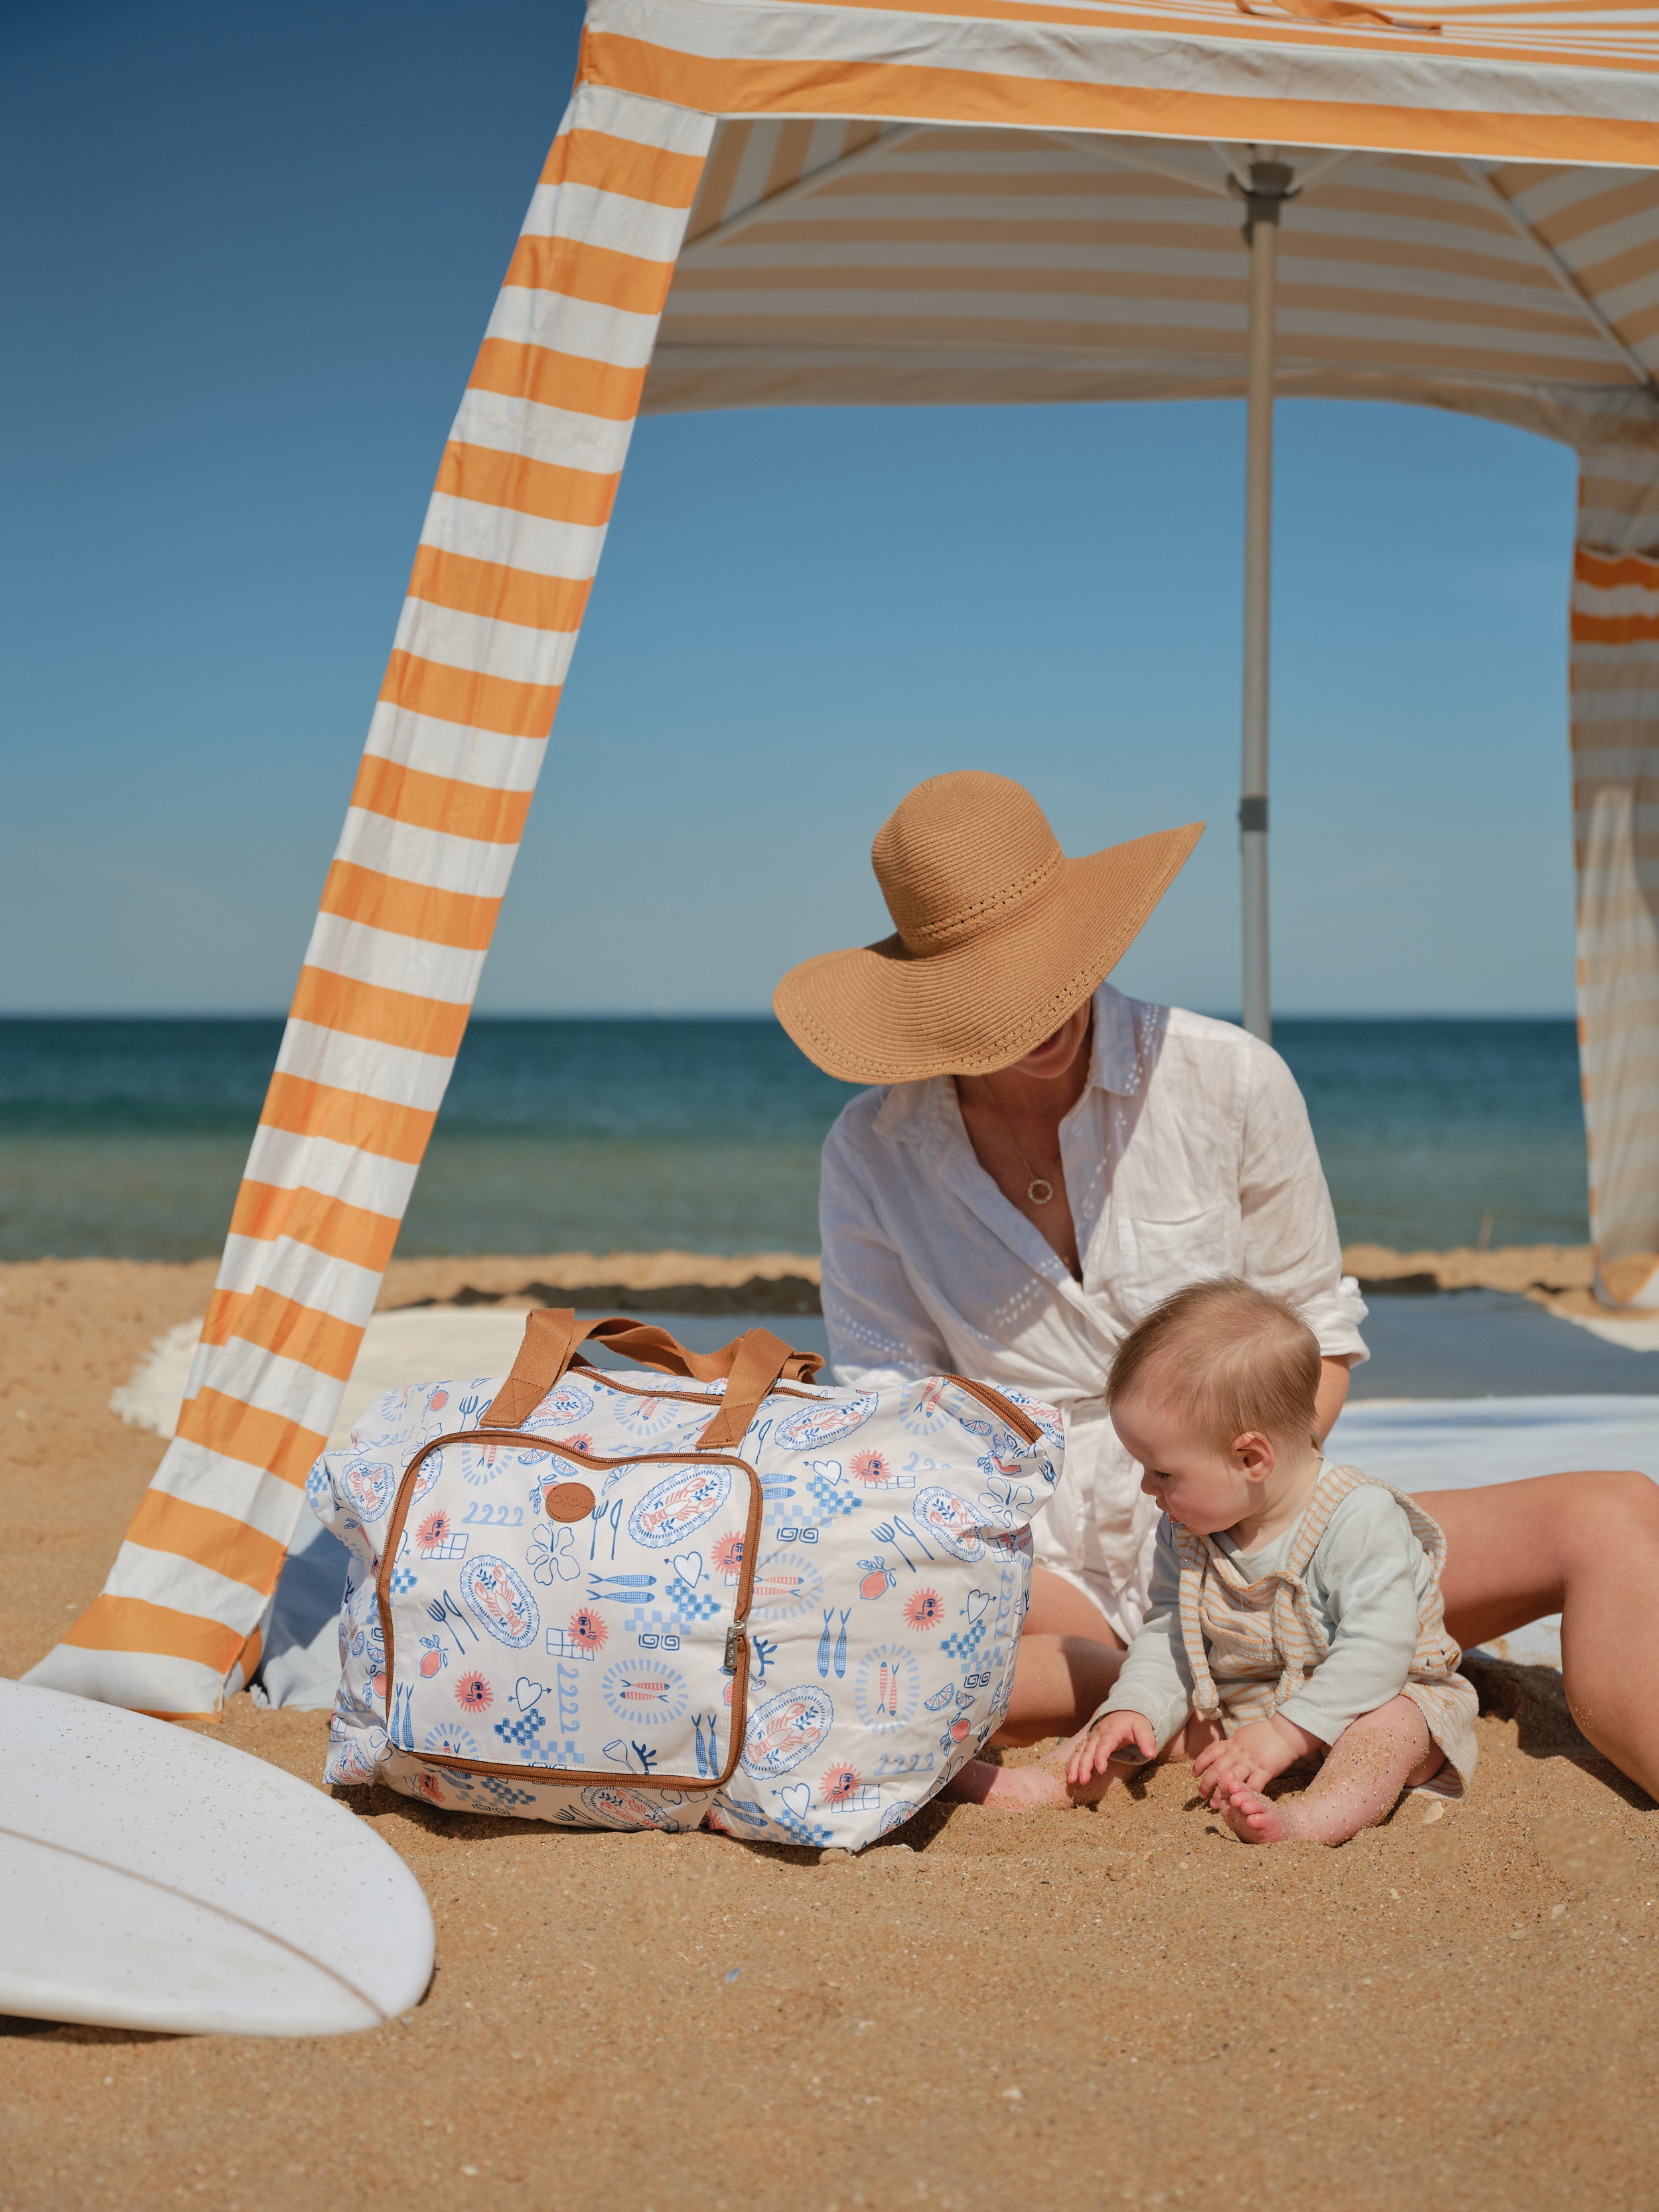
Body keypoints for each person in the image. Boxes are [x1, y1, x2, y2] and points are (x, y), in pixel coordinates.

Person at [774, 769, 1659, 1804]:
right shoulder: (871, 1153)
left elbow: (1318, 1348)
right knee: (820, 1625)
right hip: (1037, 1565)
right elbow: (897, 1430)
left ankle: (1202, 1687)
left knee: (1613, 1511)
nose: (1046, 1007)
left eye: (1054, 966)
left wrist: (1248, 1524)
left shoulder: (1227, 1079)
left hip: (1274, 1535)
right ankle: (1144, 1685)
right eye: (1000, 992)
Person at [1058, 1279, 1477, 1844]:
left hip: (1372, 1702)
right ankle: (1055, 1782)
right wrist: (1133, 1706)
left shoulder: (1358, 1516)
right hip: (1250, 1708)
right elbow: (1169, 1634)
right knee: (1138, 1728)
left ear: (1251, 1457)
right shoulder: (1187, 1528)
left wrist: (1287, 1733)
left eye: (1163, 1472)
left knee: (1394, 1728)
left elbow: (1379, 1650)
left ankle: (1310, 1820)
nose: (1146, 1487)